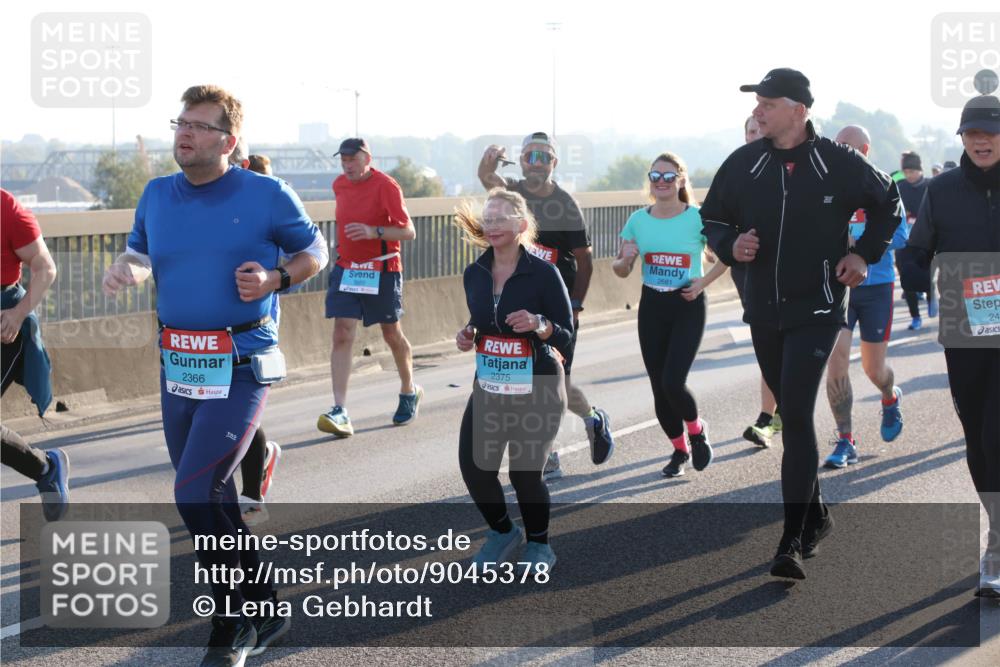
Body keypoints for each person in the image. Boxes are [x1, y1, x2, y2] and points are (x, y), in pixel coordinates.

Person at [103, 85, 327, 665]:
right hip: (178, 366)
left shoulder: (266, 193)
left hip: (241, 364)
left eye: (200, 126)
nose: (185, 133)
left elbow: (316, 253)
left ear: (228, 141)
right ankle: (267, 607)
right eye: (181, 122)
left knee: (193, 492)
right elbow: (141, 253)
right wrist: (126, 270)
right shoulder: (155, 194)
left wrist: (276, 279)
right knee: (213, 497)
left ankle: (231, 625)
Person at [701, 68, 901, 580]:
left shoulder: (839, 163)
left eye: (769, 103)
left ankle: (791, 539)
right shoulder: (744, 163)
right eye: (757, 103)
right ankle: (817, 517)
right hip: (764, 309)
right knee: (789, 409)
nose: (758, 111)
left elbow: (890, 205)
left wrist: (862, 254)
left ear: (799, 110)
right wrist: (730, 246)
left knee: (796, 409)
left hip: (817, 307)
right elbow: (713, 217)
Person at [905, 93, 1000, 596]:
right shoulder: (941, 192)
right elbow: (914, 255)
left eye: (990, 131)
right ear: (962, 139)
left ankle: (997, 544)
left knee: (996, 437)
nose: (981, 140)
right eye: (972, 133)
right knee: (977, 445)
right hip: (965, 331)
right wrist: (930, 275)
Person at [478, 132, 615, 479]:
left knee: (556, 386)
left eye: (543, 157)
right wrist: (489, 159)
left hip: (557, 307)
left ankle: (587, 422)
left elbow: (585, 260)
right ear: (521, 162)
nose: (536, 163)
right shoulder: (514, 192)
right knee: (524, 381)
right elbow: (486, 178)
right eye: (529, 157)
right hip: (519, 305)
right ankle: (551, 450)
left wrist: (576, 304)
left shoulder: (565, 204)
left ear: (554, 163)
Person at [453, 188, 572, 574]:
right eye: (487, 219)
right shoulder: (475, 272)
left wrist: (539, 325)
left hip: (536, 382)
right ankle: (502, 532)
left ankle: (540, 545)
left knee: (525, 472)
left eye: (500, 219)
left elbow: (565, 334)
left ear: (521, 225)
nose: (492, 226)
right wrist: (467, 334)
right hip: (489, 383)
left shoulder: (543, 272)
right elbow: (480, 322)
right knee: (475, 466)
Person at [612, 153, 727, 477]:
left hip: (687, 304)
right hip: (652, 305)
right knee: (658, 387)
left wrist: (702, 283)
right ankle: (679, 451)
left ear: (680, 180)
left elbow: (728, 255)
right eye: (655, 176)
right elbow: (620, 269)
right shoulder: (638, 220)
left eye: (668, 176)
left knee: (673, 382)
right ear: (649, 181)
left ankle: (696, 431)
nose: (661, 182)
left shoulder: (697, 218)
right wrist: (625, 261)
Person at [317, 138, 421, 437]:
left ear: (367, 158)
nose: (347, 165)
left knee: (391, 334)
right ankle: (340, 410)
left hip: (382, 268)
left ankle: (408, 390)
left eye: (352, 159)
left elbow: (408, 231)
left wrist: (372, 231)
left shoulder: (386, 185)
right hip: (348, 268)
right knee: (342, 333)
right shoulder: (339, 184)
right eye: (343, 160)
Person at [823, 126, 908, 469]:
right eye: (837, 147)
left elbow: (900, 234)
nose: (841, 153)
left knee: (874, 369)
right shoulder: (826, 187)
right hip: (840, 289)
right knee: (836, 358)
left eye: (848, 147)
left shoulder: (883, 184)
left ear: (865, 149)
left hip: (877, 287)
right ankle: (846, 439)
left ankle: (889, 396)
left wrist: (859, 244)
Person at [1, 188, 69, 522]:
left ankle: (46, 469)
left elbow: (45, 268)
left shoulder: (7, 208)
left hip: (4, 323)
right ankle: (44, 467)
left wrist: (18, 313)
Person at [227, 143, 282, 526]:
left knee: (242, 413)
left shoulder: (273, 208)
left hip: (254, 327)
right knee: (217, 409)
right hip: (206, 331)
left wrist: (272, 278)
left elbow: (309, 255)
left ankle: (253, 495)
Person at [738, 116, 783, 449]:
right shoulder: (736, 173)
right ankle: (773, 415)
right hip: (749, 278)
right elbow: (718, 225)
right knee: (769, 351)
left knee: (785, 352)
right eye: (750, 132)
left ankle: (771, 417)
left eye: (759, 130)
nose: (755, 136)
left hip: (788, 279)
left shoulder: (789, 168)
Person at [896, 151, 936, 330]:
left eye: (912, 171)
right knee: (908, 279)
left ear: (920, 170)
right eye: (906, 171)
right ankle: (915, 317)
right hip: (904, 240)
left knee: (926, 276)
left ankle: (930, 297)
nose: (909, 175)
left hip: (926, 240)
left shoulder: (931, 185)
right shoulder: (899, 186)